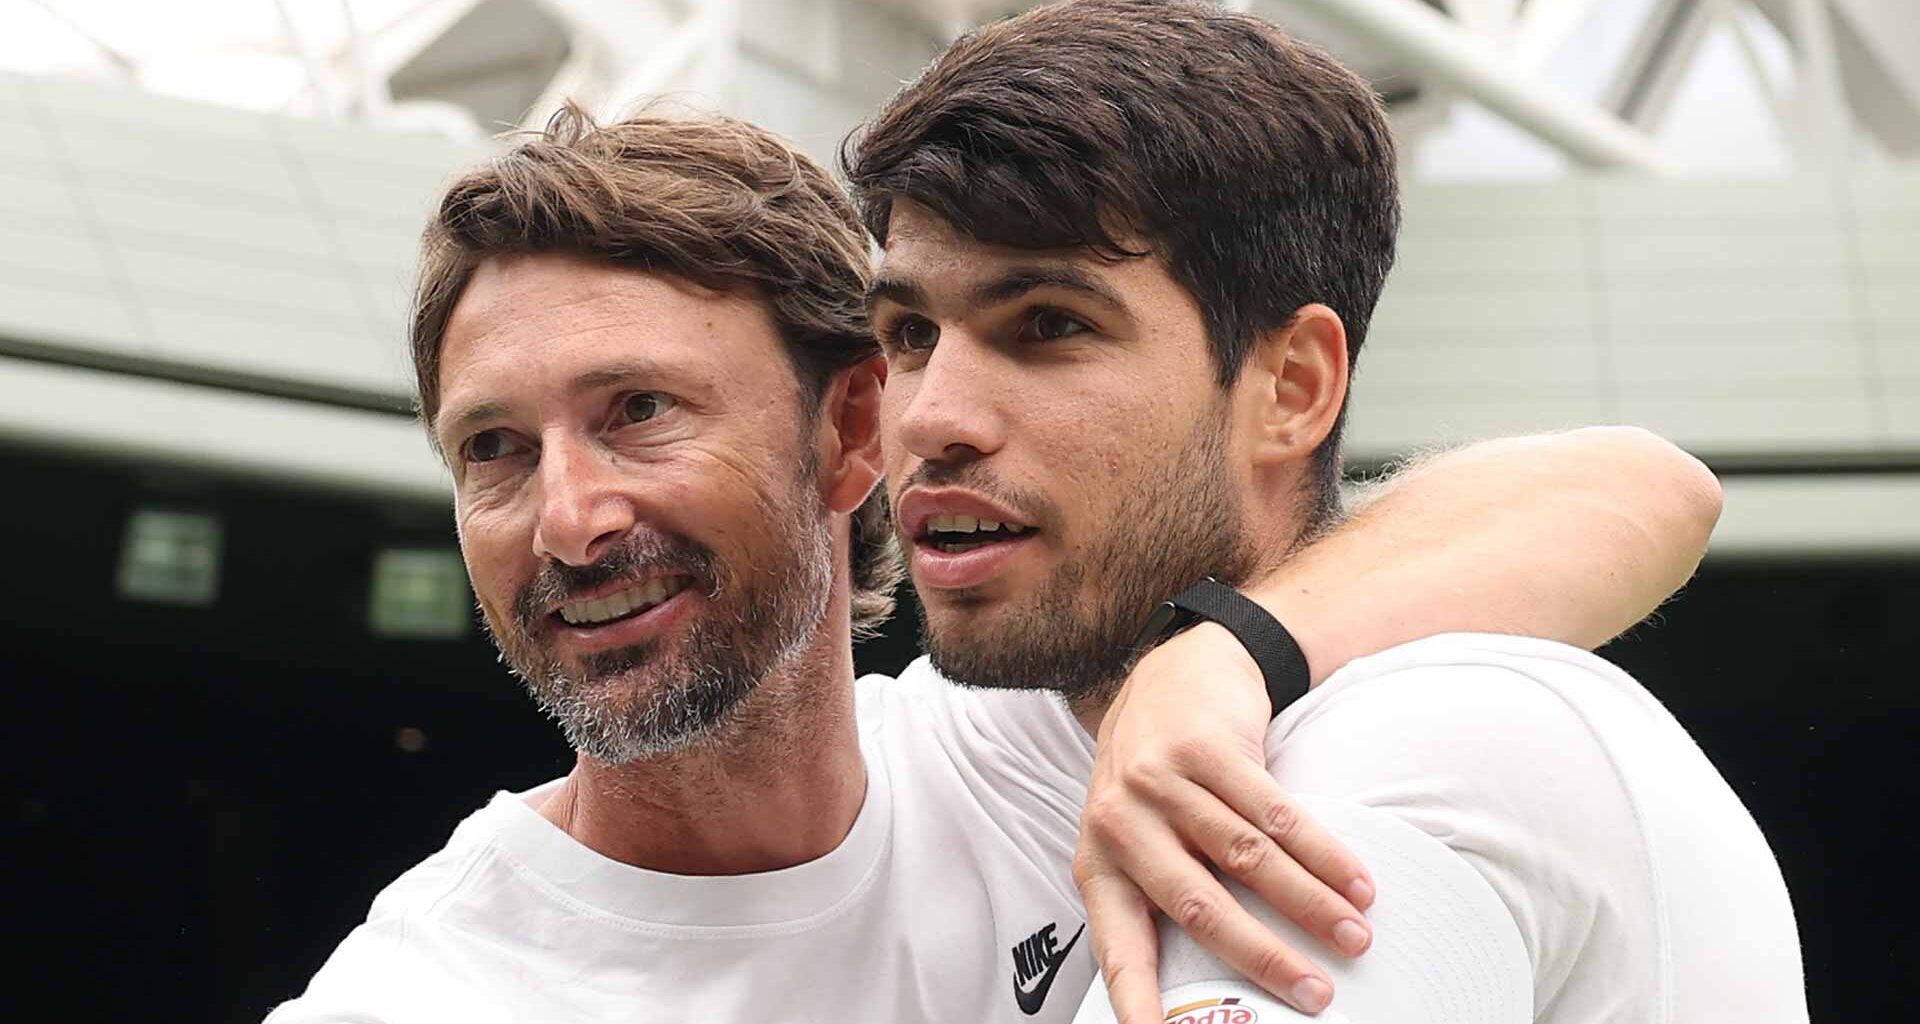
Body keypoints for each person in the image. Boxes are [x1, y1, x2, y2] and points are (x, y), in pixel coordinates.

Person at [266, 62, 1722, 1024]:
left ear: (852, 432)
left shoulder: (1036, 744)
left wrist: (1221, 659)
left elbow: (1640, 489)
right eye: (494, 451)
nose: (567, 519)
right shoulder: (424, 993)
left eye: (638, 413)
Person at [840, 1, 1807, 1021]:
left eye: (1048, 325)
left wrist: (1224, 649)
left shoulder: (1419, 742)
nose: (931, 418)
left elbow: (1647, 483)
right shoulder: (915, 755)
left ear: (1293, 387)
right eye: (910, 334)